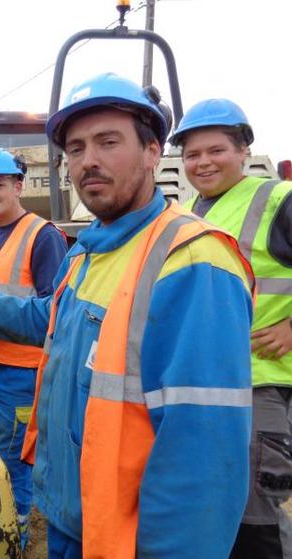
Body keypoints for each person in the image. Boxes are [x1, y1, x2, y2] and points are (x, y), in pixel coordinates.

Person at [0, 73, 255, 558]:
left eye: (108, 142)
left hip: (123, 537)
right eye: (76, 149)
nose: (89, 161)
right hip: (74, 518)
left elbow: (203, 466)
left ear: (151, 151)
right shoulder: (89, 252)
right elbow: (52, 323)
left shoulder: (192, 264)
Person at [170, 99, 292, 559]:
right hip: (209, 387)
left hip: (261, 388)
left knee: (261, 521)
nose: (203, 163)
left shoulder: (277, 200)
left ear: (243, 150)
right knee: (220, 512)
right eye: (193, 154)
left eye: (216, 150)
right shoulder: (192, 211)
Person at [0, 147, 67, 548]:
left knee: (14, 462)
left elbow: (53, 313)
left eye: (0, 185)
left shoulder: (43, 237)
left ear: (19, 186)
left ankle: (16, 535)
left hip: (21, 374)